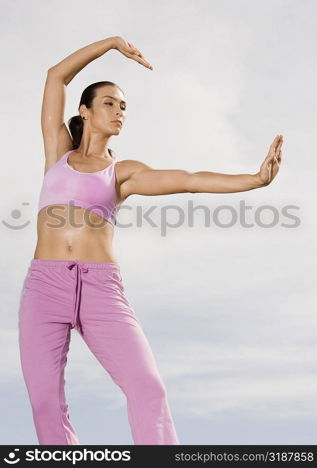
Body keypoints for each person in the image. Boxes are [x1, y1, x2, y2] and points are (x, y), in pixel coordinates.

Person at [18, 35, 283, 446]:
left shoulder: (123, 173)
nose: (119, 110)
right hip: (45, 285)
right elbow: (56, 76)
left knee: (149, 389)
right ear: (84, 112)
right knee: (45, 402)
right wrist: (108, 45)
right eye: (109, 102)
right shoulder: (58, 152)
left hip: (100, 288)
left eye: (124, 105)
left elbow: (190, 180)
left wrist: (255, 179)